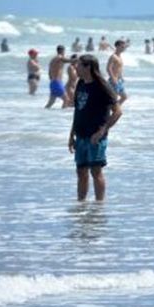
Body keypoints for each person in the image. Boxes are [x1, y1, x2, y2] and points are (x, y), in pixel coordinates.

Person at [68, 55, 122, 201]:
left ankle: (99, 206)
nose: (75, 68)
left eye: (78, 66)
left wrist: (102, 131)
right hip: (80, 135)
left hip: (95, 137)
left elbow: (118, 112)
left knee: (95, 171)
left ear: (88, 67)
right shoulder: (80, 84)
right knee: (81, 171)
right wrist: (71, 135)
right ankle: (81, 204)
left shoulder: (102, 86)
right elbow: (78, 110)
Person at [106, 39, 128, 106]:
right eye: (122, 47)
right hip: (113, 80)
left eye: (124, 47)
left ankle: (115, 110)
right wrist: (113, 79)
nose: (124, 48)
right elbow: (108, 68)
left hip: (119, 80)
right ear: (117, 46)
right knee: (114, 99)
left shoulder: (120, 57)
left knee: (124, 97)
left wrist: (121, 77)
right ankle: (113, 112)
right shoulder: (113, 57)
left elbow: (119, 69)